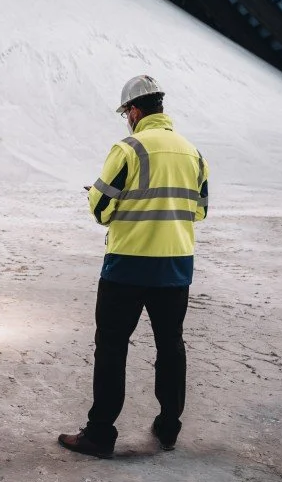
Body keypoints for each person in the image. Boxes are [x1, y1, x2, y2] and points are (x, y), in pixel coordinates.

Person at [59, 75, 209, 459]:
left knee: (111, 348)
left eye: (126, 112)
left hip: (127, 267)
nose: (127, 118)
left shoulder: (128, 148)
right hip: (175, 267)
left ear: (136, 111)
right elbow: (200, 210)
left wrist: (110, 203)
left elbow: (100, 207)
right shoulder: (193, 153)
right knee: (171, 346)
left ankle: (100, 434)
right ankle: (168, 428)